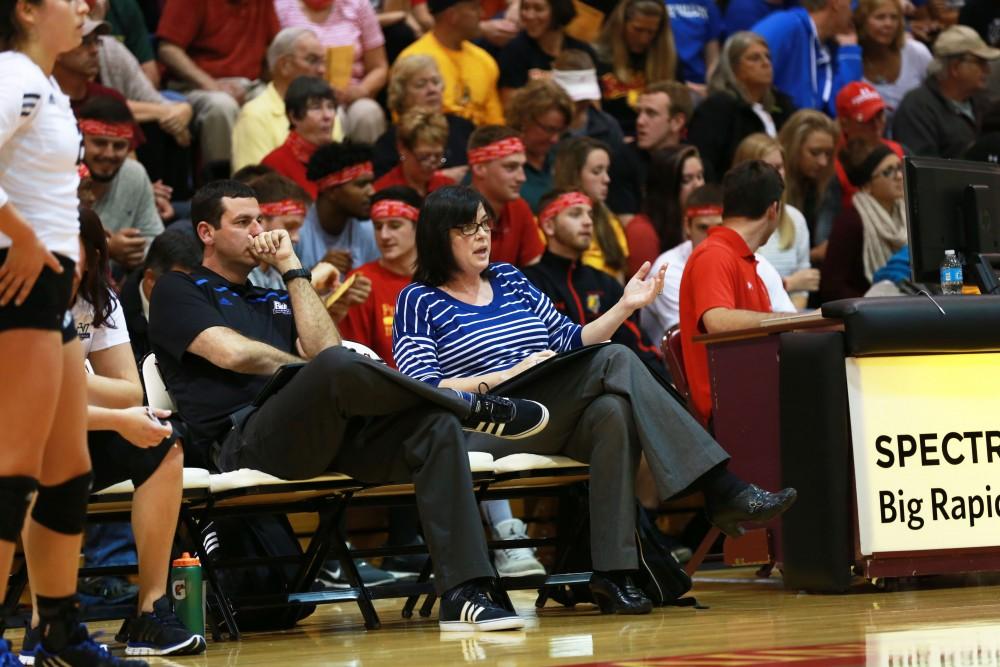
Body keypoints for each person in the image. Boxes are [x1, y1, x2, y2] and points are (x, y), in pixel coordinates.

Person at [149, 179, 550, 632]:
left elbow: (325, 348)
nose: (259, 230)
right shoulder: (178, 288)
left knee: (434, 426)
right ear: (207, 232)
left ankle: (465, 592)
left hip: (320, 437)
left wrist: (291, 268)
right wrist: (305, 370)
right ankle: (468, 404)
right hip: (243, 441)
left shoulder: (272, 296)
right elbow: (234, 354)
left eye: (259, 219)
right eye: (242, 222)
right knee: (337, 367)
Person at [393, 185, 797, 613]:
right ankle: (719, 487)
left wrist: (625, 306)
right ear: (438, 236)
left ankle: (613, 574)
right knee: (615, 370)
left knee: (612, 411)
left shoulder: (510, 278)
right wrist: (506, 376)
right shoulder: (419, 300)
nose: (482, 236)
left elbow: (571, 340)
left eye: (485, 225)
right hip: (487, 423)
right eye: (466, 228)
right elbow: (424, 388)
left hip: (547, 413)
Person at [0, 0, 145, 664]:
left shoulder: (48, 82)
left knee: (67, 470)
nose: (85, 5)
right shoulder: (14, 74)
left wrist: (65, 246)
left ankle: (57, 631)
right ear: (27, 10)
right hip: (17, 282)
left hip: (51, 286)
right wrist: (26, 240)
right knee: (13, 471)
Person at [22, 210, 207, 660]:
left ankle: (150, 609)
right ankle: (42, 624)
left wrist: (68, 380)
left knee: (162, 443)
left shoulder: (96, 297)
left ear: (90, 251)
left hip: (70, 427)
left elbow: (128, 391)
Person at [678, 161, 792, 424]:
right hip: (731, 410)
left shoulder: (745, 260)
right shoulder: (714, 255)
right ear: (773, 210)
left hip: (754, 398)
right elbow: (717, 321)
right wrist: (792, 322)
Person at [522, 188, 664, 380]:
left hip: (612, 379)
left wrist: (665, 380)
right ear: (548, 225)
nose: (588, 221)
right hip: (556, 385)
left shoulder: (605, 282)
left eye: (589, 214)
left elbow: (636, 343)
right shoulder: (528, 283)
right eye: (575, 214)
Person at [641, 183, 795, 343]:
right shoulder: (666, 270)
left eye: (719, 227)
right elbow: (691, 338)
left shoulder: (758, 263)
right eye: (703, 227)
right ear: (687, 225)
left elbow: (789, 320)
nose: (711, 235)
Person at [156, 0, 281, 176]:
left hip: (250, 84)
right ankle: (221, 189)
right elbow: (168, 50)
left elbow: (274, 48)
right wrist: (211, 85)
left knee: (273, 101)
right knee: (222, 106)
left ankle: (270, 186)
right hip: (194, 85)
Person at [274, 0, 389, 144]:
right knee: (331, 116)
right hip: (303, 97)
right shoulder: (282, 6)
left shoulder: (358, 4)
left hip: (352, 96)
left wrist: (361, 90)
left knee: (368, 113)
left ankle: (367, 165)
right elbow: (275, 64)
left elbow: (380, 67)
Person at [687, 31, 797, 179]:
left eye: (768, 57)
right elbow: (705, 162)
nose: (766, 63)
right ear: (733, 67)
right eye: (754, 58)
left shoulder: (783, 106)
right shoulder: (718, 108)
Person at [731, 133, 819, 309]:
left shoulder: (796, 219)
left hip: (790, 320)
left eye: (779, 167)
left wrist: (791, 325)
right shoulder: (732, 224)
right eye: (767, 169)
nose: (775, 176)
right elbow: (740, 293)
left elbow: (805, 285)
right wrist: (788, 284)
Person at [231, 27, 335, 172]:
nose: (322, 70)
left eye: (324, 62)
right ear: (284, 65)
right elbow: (252, 184)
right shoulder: (255, 115)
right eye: (312, 60)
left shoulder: (327, 111)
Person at [77, 96, 163, 272]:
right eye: (99, 143)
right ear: (80, 141)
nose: (109, 154)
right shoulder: (59, 176)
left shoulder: (134, 173)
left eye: (119, 146)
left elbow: (155, 240)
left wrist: (134, 251)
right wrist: (107, 248)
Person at [339, 186, 421, 367]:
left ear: (419, 227)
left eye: (394, 225)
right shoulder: (361, 282)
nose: (384, 235)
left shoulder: (442, 277)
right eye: (378, 226)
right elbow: (355, 360)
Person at [892, 25, 999, 158]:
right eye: (980, 63)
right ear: (955, 67)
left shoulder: (982, 100)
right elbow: (922, 170)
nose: (987, 70)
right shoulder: (917, 108)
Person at [820, 140, 907, 301]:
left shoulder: (908, 214)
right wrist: (870, 303)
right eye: (888, 172)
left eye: (899, 168)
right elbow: (832, 287)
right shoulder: (850, 222)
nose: (900, 176)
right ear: (866, 185)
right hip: (867, 310)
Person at [396, 0, 505, 127]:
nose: (482, 14)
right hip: (432, 141)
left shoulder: (485, 60)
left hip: (479, 143)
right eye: (475, 8)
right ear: (452, 15)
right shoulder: (412, 60)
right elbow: (406, 123)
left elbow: (495, 123)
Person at [751, 0, 861, 117]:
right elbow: (742, 76)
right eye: (851, 4)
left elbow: (841, 108)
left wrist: (849, 52)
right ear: (837, 3)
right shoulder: (784, 26)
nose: (853, 12)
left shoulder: (830, 45)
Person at [374, 55, 475, 180]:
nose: (432, 90)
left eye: (436, 82)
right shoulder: (390, 140)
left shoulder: (464, 127)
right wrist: (438, 178)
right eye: (420, 85)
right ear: (402, 95)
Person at [594, 0, 677, 137]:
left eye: (651, 32)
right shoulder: (597, 58)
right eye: (638, 29)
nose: (644, 39)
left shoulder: (667, 61)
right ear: (622, 25)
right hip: (609, 136)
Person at [119, 228, 202, 365]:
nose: (191, 293)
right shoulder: (117, 317)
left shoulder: (203, 300)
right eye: (181, 284)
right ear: (151, 279)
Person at [467, 125, 546, 266]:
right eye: (510, 167)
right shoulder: (455, 214)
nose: (522, 178)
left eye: (522, 167)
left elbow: (536, 269)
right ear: (479, 168)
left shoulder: (519, 208)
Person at [551, 136, 628, 281]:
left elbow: (620, 278)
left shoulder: (610, 221)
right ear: (574, 175)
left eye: (607, 171)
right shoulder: (550, 221)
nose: (607, 179)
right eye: (597, 171)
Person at [296, 141, 380, 275]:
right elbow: (278, 293)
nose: (372, 192)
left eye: (371, 183)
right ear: (332, 192)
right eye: (361, 184)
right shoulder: (296, 232)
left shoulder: (369, 230)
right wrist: (316, 274)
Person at [495, 0, 596, 104]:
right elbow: (510, 105)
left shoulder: (582, 51)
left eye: (538, 9)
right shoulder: (514, 50)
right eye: (525, 8)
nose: (529, 15)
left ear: (558, 11)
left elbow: (594, 105)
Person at [856, 0, 933, 123]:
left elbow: (937, 99)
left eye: (894, 17)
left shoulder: (917, 52)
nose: (888, 24)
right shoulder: (850, 58)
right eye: (880, 17)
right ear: (861, 21)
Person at [262, 76, 338, 199]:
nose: (327, 116)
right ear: (294, 117)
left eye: (330, 107)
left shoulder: (342, 159)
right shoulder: (274, 164)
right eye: (316, 107)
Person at [832, 82, 905, 210]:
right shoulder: (832, 165)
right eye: (867, 119)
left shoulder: (898, 151)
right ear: (844, 124)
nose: (877, 125)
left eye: (880, 115)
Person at [778, 109, 839, 263]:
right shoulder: (773, 187)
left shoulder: (827, 185)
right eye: (815, 152)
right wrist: (813, 255)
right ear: (793, 147)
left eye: (828, 154)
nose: (823, 162)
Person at [504, 79, 574, 211]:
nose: (555, 139)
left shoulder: (563, 159)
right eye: (549, 129)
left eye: (560, 131)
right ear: (524, 120)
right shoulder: (497, 164)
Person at [245, 172, 313, 291]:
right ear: (259, 220)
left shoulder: (275, 276)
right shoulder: (238, 275)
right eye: (290, 226)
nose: (296, 238)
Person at [633, 145, 705, 256]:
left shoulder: (705, 222)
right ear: (666, 187)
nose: (698, 185)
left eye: (700, 176)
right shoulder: (642, 231)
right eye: (687, 180)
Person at [373, 107, 456, 196]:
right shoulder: (383, 191)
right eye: (423, 157)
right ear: (402, 148)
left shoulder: (448, 188)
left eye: (438, 156)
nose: (431, 165)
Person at [551, 49, 625, 147]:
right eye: (575, 97)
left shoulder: (608, 126)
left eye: (585, 96)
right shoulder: (543, 128)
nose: (580, 102)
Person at [666, 0, 723, 90]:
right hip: (665, 80)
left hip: (699, 83)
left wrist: (710, 89)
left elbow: (713, 57)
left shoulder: (707, 4)